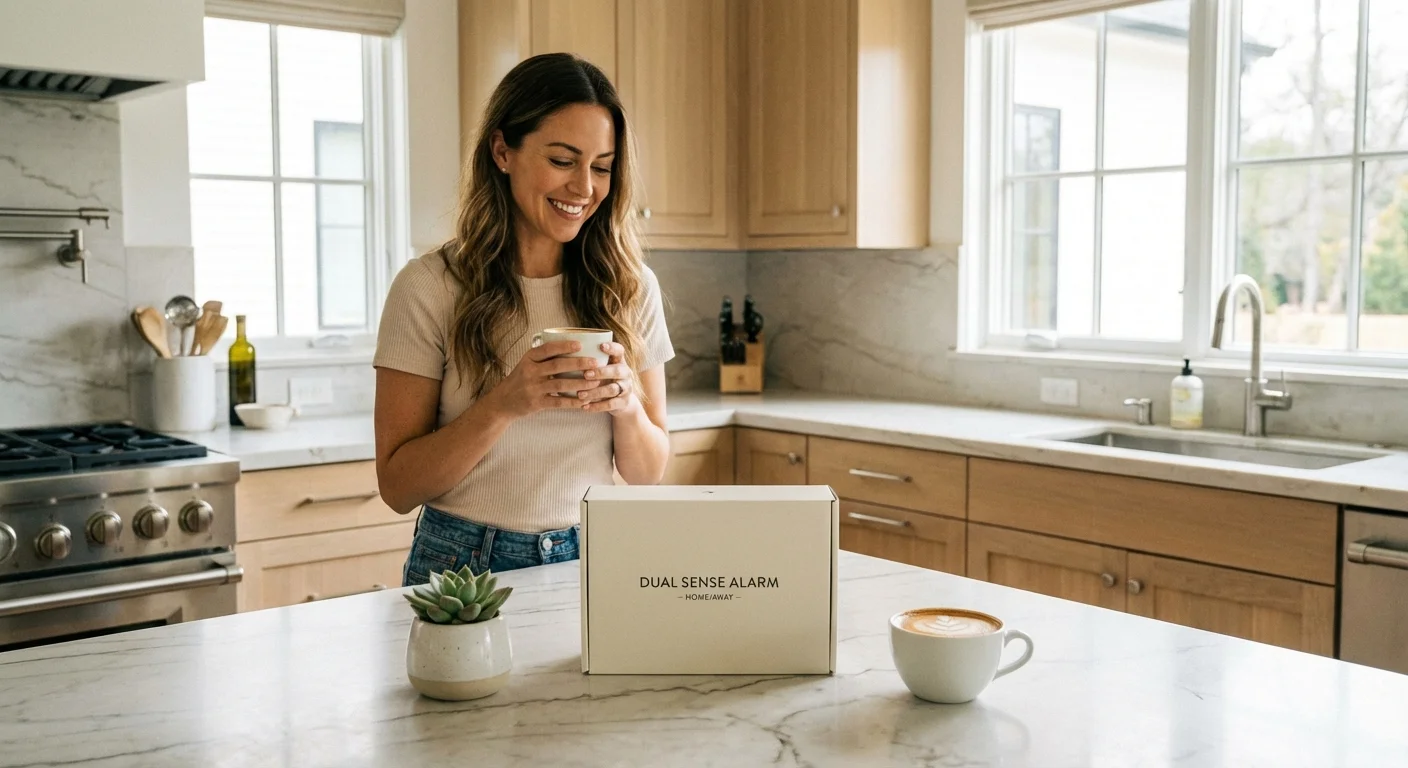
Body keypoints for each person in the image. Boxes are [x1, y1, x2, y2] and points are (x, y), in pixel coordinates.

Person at [373, 53, 674, 585]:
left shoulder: (629, 288)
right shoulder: (429, 287)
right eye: (563, 160)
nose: (584, 188)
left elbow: (648, 473)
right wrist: (506, 404)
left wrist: (628, 407)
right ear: (502, 150)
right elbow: (398, 488)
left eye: (601, 167)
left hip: (593, 556)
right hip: (461, 565)